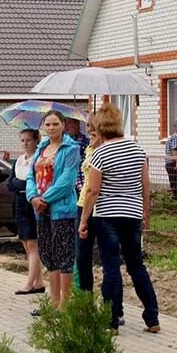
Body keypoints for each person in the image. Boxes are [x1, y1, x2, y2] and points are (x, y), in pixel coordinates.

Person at [79, 102, 160, 334]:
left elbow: (93, 191)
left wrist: (84, 220)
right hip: (132, 214)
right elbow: (145, 185)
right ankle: (152, 317)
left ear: (100, 127)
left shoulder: (100, 153)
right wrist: (145, 213)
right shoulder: (137, 150)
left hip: (107, 216)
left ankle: (111, 322)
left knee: (111, 267)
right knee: (137, 266)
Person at [25, 111, 81, 311]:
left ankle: (65, 304)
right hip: (41, 211)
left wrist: (45, 199)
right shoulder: (41, 149)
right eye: (47, 124)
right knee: (49, 255)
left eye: (55, 124)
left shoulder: (71, 149)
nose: (51, 128)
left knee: (64, 256)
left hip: (61, 210)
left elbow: (67, 181)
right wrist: (32, 197)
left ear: (63, 125)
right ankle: (54, 301)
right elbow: (31, 176)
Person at [8, 128, 45, 295]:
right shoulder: (19, 161)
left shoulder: (38, 159)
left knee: (32, 244)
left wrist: (22, 183)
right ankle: (39, 282)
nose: (25, 143)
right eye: (22, 140)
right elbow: (10, 183)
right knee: (24, 241)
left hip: (32, 202)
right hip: (19, 202)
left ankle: (29, 283)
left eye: (28, 140)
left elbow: (35, 183)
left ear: (36, 140)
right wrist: (21, 183)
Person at [75, 114, 102, 294]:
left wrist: (84, 218)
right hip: (83, 203)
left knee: (107, 257)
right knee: (81, 256)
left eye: (92, 128)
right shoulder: (89, 150)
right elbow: (85, 179)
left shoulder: (104, 152)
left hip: (99, 206)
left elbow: (94, 187)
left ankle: (113, 308)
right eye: (87, 127)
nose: (88, 131)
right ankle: (85, 299)